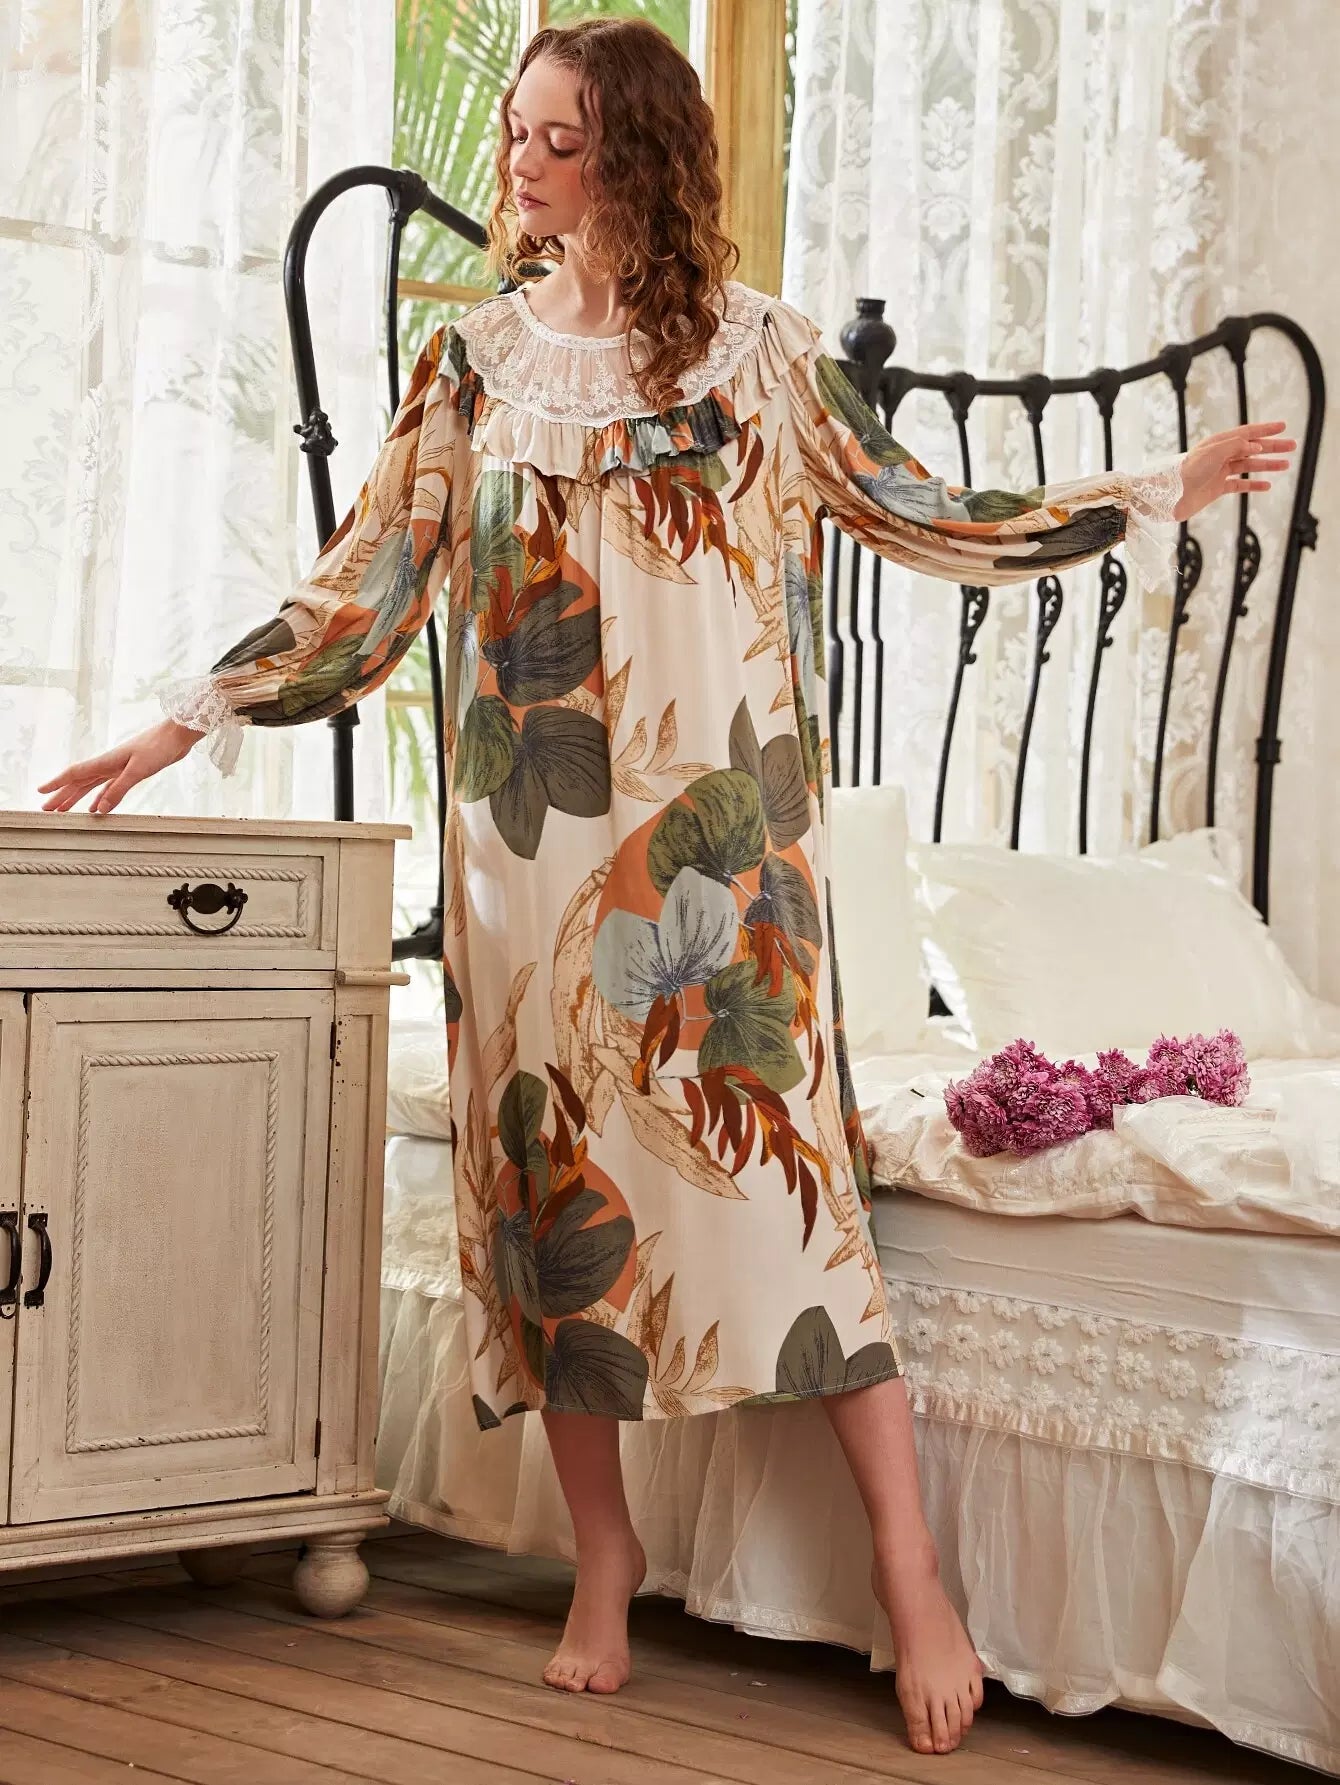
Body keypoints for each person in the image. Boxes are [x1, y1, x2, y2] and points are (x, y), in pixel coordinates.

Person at [39, 18, 1296, 1759]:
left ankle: (912, 1571)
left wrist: (1153, 487)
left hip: (725, 851)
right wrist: (190, 715)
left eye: (559, 139)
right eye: (516, 132)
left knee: (798, 1211)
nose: (521, 163)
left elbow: (927, 511)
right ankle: (606, 1553)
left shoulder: (763, 357)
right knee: (558, 1207)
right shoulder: (471, 363)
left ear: (635, 155)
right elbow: (368, 579)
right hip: (527, 858)